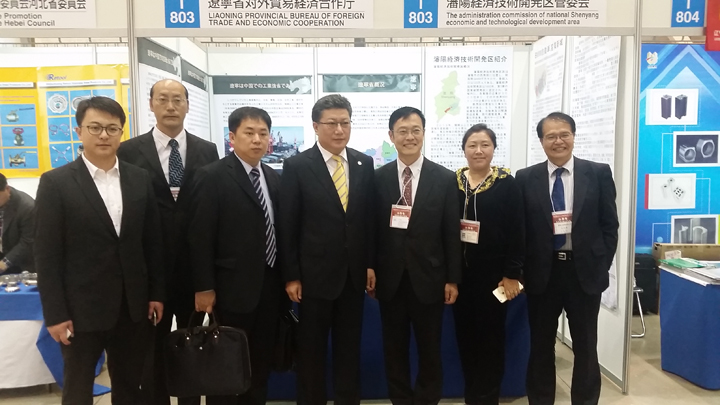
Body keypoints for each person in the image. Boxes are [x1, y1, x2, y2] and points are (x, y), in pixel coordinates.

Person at [34, 96, 164, 405]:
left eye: (112, 128)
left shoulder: (139, 178)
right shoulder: (56, 183)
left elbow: (152, 242)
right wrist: (55, 314)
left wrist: (156, 293)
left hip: (132, 307)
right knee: (78, 389)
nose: (104, 135)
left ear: (121, 133)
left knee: (130, 386)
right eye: (95, 128)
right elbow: (47, 255)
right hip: (81, 311)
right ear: (79, 131)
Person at [116, 78, 219, 405]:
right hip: (149, 271)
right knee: (152, 348)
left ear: (188, 105)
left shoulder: (207, 150)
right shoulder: (129, 151)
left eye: (177, 99)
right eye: (163, 99)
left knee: (193, 344)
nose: (171, 106)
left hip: (193, 270)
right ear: (151, 104)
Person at [515, 112, 619, 405]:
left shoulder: (597, 173)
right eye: (551, 136)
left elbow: (609, 225)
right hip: (542, 274)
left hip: (583, 274)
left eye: (564, 135)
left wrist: (600, 264)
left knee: (586, 346)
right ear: (541, 141)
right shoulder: (526, 178)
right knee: (540, 346)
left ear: (573, 136)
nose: (558, 141)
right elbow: (520, 229)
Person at [279, 94, 375, 405]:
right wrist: (292, 275)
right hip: (313, 279)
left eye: (345, 122)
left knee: (349, 351)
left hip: (352, 277)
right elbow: (288, 224)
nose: (339, 130)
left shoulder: (363, 163)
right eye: (331, 123)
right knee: (311, 352)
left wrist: (369, 264)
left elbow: (367, 220)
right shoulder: (297, 166)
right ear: (315, 126)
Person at [189, 107, 285, 405]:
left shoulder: (273, 177)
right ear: (232, 138)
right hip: (230, 289)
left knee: (260, 363)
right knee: (227, 365)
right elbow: (200, 236)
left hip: (269, 287)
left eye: (263, 133)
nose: (257, 140)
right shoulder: (212, 176)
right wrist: (204, 287)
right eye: (249, 133)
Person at [372, 106, 461, 405]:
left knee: (430, 348)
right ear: (391, 136)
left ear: (423, 133)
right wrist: (370, 268)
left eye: (415, 130)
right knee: (393, 349)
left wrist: (452, 278)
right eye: (402, 131)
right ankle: (400, 399)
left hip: (430, 279)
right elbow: (370, 229)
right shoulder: (377, 178)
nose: (409, 137)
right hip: (390, 280)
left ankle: (426, 400)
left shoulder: (445, 178)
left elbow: (451, 232)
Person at [452, 124, 524, 405]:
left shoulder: (507, 184)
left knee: (491, 342)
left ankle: (488, 398)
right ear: (464, 149)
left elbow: (518, 232)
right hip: (460, 278)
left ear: (494, 149)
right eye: (472, 145)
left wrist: (512, 274)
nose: (478, 150)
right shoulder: (453, 182)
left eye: (485, 145)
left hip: (494, 279)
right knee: (466, 340)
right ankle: (472, 396)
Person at [0, 172, 35, 275]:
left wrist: (4, 264)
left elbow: (28, 242)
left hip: (21, 264)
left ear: (7, 189)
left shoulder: (28, 207)